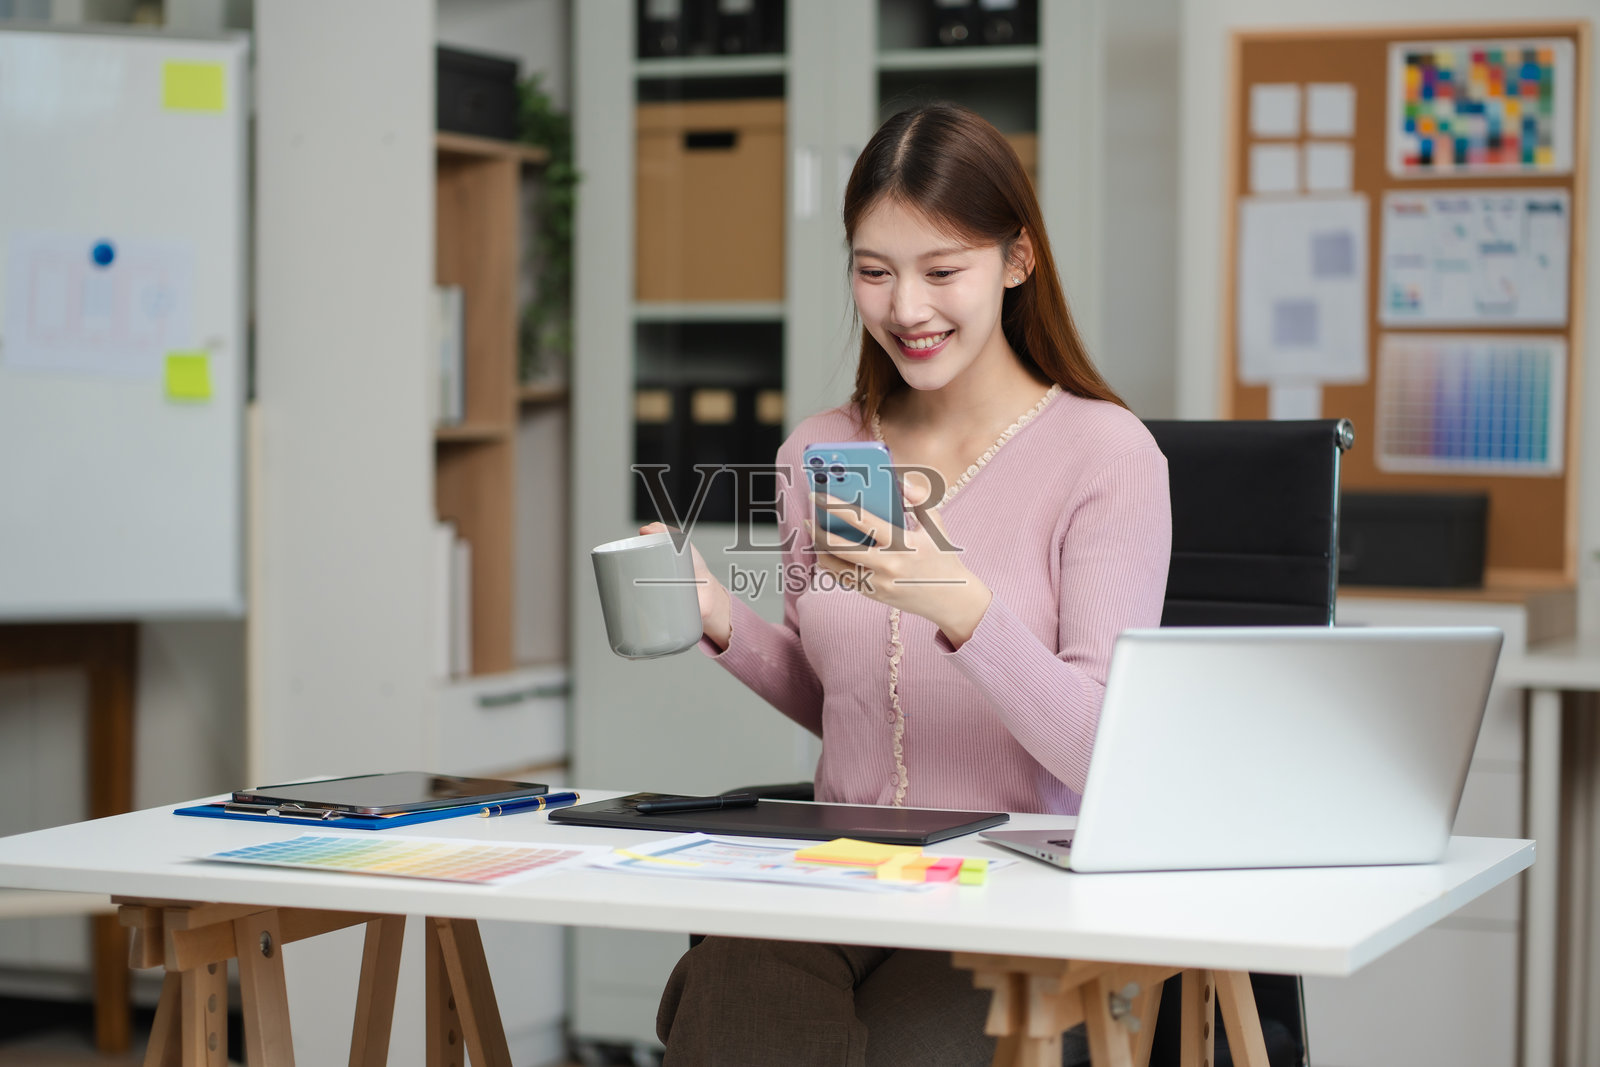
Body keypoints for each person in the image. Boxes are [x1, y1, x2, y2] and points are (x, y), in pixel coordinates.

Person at [644, 102, 1173, 1067]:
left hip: (1014, 882)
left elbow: (1107, 753)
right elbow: (847, 703)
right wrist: (723, 622)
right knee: (734, 982)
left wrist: (960, 605)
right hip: (842, 873)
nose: (906, 309)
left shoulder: (1105, 454)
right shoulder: (824, 450)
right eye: (875, 271)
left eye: (942, 271)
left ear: (1017, 261)